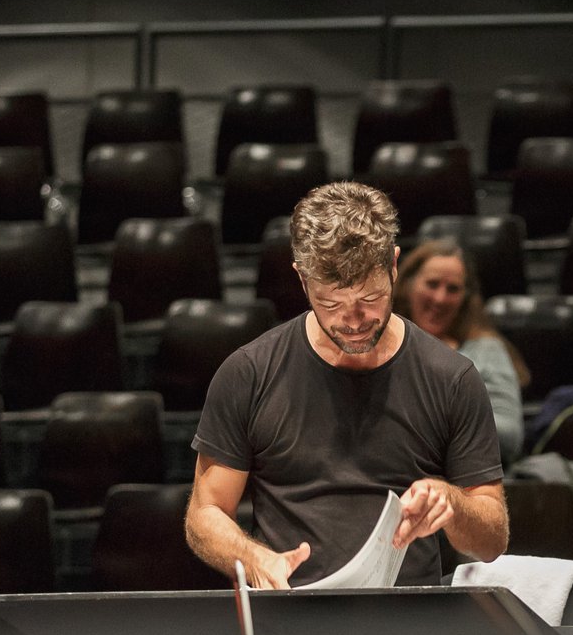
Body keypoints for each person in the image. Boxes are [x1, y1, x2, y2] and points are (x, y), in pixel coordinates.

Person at [185, 182, 508, 589]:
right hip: (292, 620)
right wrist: (252, 558)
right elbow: (206, 511)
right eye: (332, 304)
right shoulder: (248, 373)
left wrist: (454, 506)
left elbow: (492, 538)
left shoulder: (452, 379)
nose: (354, 321)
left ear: (394, 266)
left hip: (409, 628)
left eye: (370, 298)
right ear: (302, 280)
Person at [394, 238, 529, 465]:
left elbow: (509, 436)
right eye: (432, 284)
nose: (440, 298)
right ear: (408, 284)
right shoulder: (375, 345)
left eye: (453, 289)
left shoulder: (486, 350)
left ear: (465, 298)